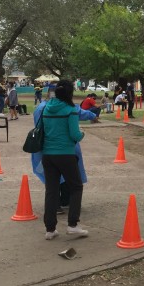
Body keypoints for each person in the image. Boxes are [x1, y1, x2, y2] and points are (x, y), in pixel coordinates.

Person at [32, 85, 95, 215]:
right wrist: (83, 131)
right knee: (74, 183)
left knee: (51, 183)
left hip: (46, 149)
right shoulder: (69, 108)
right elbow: (75, 131)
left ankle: (52, 217)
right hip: (66, 150)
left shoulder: (42, 108)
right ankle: (72, 220)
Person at [40, 80, 88, 240]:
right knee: (76, 187)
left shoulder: (46, 107)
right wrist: (82, 134)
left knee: (51, 191)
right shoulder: (70, 110)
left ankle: (50, 228)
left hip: (47, 155)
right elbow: (75, 135)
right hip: (65, 154)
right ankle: (73, 224)